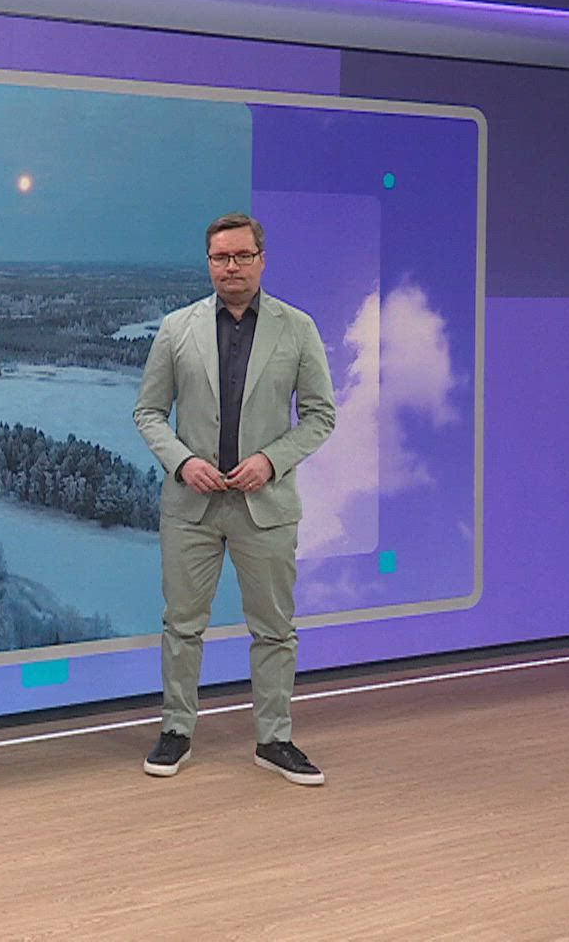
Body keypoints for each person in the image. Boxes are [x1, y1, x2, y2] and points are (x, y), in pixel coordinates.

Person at [133, 212, 337, 784]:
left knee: (274, 629)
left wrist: (271, 461)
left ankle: (274, 740)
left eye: (242, 256)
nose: (231, 267)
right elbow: (149, 412)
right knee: (182, 625)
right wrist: (184, 462)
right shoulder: (177, 328)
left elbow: (320, 416)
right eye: (221, 258)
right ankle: (176, 730)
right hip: (191, 507)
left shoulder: (298, 329)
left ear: (262, 260)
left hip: (264, 507)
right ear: (209, 264)